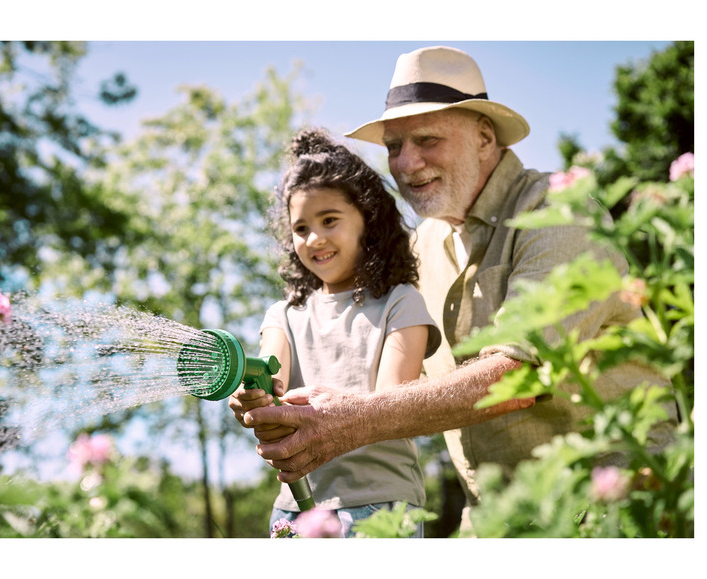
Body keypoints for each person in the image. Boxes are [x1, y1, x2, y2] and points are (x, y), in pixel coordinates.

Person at [233, 46, 678, 536]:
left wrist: (351, 420)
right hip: (495, 519)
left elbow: (514, 376)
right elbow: (353, 337)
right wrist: (273, 395)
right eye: (394, 146)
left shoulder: (558, 210)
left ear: (485, 137)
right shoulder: (420, 246)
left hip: (615, 507)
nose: (407, 163)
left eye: (427, 139)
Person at [229, 127, 441, 537]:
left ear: (368, 221)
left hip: (380, 506)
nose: (315, 238)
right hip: (295, 510)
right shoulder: (284, 315)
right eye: (301, 228)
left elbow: (391, 409)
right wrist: (252, 396)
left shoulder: (401, 303)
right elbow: (269, 378)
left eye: (329, 220)